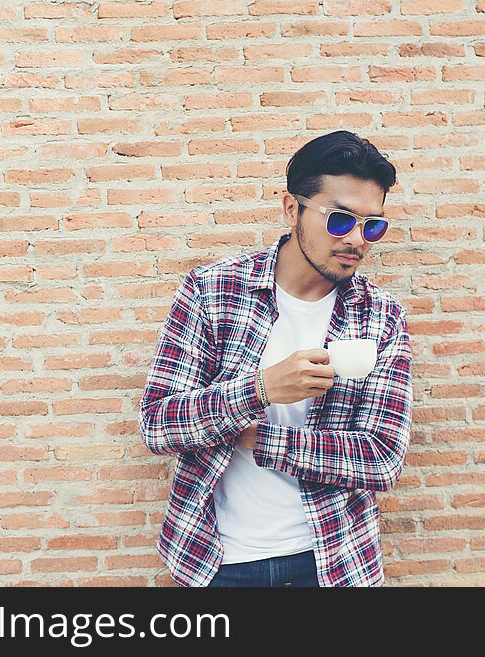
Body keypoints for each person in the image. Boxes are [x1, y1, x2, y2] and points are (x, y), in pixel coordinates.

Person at [139, 130, 413, 587]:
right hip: (218, 560)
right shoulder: (213, 292)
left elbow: (382, 458)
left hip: (335, 560)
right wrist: (260, 390)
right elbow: (159, 425)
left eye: (373, 225)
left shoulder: (380, 317)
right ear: (292, 209)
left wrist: (264, 440)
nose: (357, 240)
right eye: (341, 219)